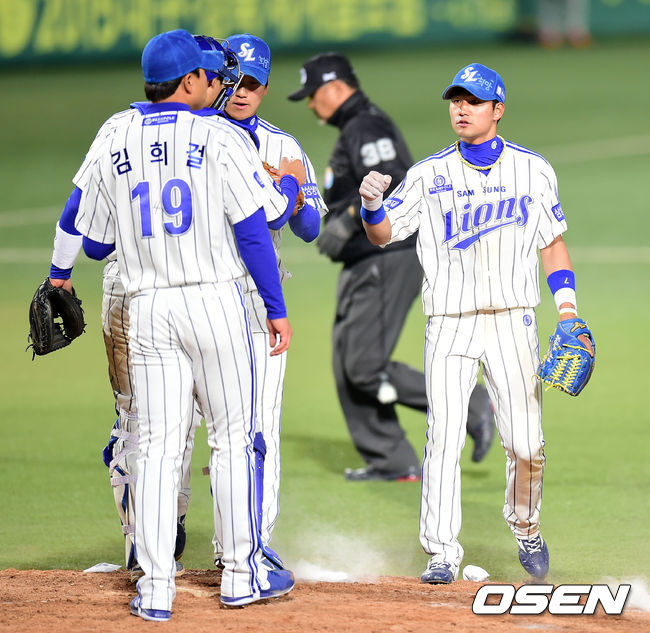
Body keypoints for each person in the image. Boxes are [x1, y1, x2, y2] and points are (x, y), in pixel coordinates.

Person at [48, 36, 305, 581]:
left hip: (135, 298)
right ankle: (243, 565)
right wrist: (287, 186)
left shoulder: (118, 130)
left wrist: (58, 274)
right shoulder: (217, 136)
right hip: (214, 298)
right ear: (194, 80)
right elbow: (263, 222)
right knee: (234, 436)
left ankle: (151, 567)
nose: (226, 88)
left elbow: (89, 233)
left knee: (146, 434)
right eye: (218, 78)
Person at [359, 62, 593, 583]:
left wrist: (568, 311)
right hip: (450, 324)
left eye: (473, 101)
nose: (461, 109)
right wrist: (372, 206)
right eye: (455, 100)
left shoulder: (533, 170)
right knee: (443, 437)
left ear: (497, 109)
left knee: (527, 445)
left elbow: (552, 244)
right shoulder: (428, 175)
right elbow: (384, 234)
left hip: (513, 323)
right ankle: (441, 551)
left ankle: (526, 526)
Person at [287, 53, 495, 481]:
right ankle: (391, 459)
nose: (309, 104)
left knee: (363, 366)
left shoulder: (366, 125)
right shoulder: (355, 126)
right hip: (364, 262)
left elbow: (393, 178)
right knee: (347, 365)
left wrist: (347, 220)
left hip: (386, 258)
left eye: (313, 94)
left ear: (336, 88)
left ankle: (472, 402)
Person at [204, 32, 326, 566]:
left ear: (266, 88)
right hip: (199, 294)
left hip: (258, 300)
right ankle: (163, 541)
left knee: (259, 427)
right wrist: (278, 192)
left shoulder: (283, 146)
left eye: (252, 84)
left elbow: (310, 228)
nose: (241, 92)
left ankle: (252, 543)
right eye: (234, 81)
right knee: (183, 429)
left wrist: (293, 193)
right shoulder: (197, 134)